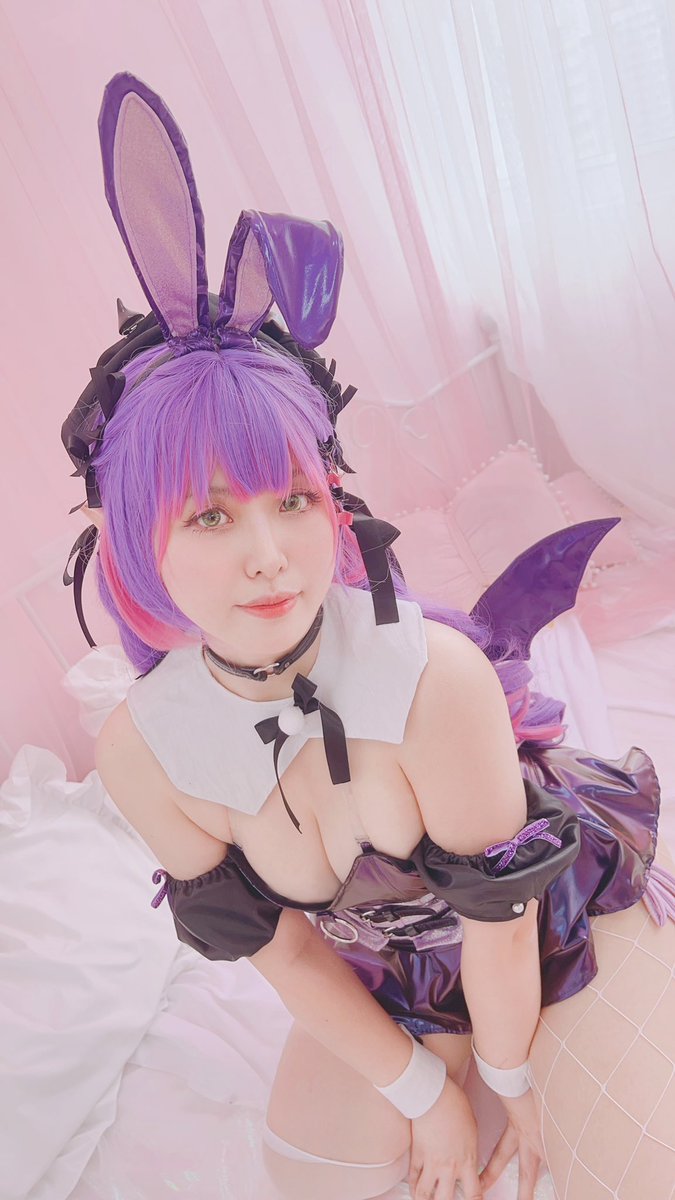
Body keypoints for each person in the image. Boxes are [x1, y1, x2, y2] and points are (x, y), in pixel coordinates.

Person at [62, 73, 675, 1200]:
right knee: (314, 1183)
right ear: (134, 540)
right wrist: (426, 1093)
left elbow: (499, 926)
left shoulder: (434, 678)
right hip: (378, 978)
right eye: (211, 516)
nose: (270, 555)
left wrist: (507, 1077)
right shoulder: (143, 752)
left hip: (539, 928)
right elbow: (286, 949)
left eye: (293, 499)